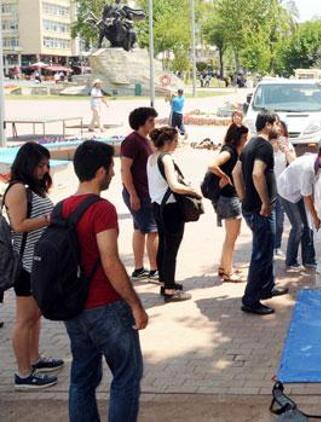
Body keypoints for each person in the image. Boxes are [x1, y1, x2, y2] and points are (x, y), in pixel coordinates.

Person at [62, 140, 148, 421]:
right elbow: (110, 261)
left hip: (74, 308)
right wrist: (135, 304)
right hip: (106, 306)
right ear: (101, 171)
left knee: (82, 378)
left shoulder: (61, 208)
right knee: (126, 375)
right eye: (111, 168)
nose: (113, 173)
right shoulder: (102, 209)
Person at [5, 143, 62, 390]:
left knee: (35, 316)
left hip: (38, 263)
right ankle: (23, 373)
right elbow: (18, 225)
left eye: (46, 165)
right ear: (28, 164)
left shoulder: (32, 188)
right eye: (40, 165)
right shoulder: (18, 189)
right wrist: (48, 219)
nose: (44, 169)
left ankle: (34, 359)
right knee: (24, 319)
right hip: (26, 264)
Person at [232, 111, 288, 315]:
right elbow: (257, 174)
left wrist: (243, 197)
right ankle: (251, 299)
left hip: (253, 207)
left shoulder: (250, 145)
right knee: (261, 254)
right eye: (276, 123)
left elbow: (236, 173)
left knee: (266, 249)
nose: (279, 127)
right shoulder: (263, 146)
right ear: (266, 125)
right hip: (261, 209)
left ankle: (267, 287)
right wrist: (264, 201)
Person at [147, 127, 199, 302]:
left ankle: (166, 281)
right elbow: (174, 186)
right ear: (168, 142)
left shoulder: (152, 158)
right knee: (171, 249)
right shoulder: (166, 158)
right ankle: (169, 289)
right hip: (170, 209)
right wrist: (192, 191)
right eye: (176, 141)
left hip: (157, 206)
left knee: (164, 245)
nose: (177, 144)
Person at [277, 142, 321, 270]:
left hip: (298, 191)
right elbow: (307, 197)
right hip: (286, 192)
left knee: (307, 225)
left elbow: (310, 194)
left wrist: (314, 216)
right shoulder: (308, 169)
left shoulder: (318, 165)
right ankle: (291, 260)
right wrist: (315, 217)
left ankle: (309, 259)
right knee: (299, 226)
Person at [121, 107, 159, 281]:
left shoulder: (145, 140)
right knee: (153, 231)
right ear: (141, 122)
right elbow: (125, 169)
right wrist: (133, 194)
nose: (154, 123)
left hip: (145, 192)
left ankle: (138, 268)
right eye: (151, 120)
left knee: (140, 229)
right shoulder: (132, 141)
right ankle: (154, 269)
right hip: (140, 193)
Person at [208, 124, 250, 283]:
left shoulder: (233, 150)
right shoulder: (228, 151)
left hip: (229, 198)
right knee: (231, 237)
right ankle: (227, 272)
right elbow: (212, 165)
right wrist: (224, 176)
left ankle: (224, 266)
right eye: (244, 138)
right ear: (238, 138)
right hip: (228, 199)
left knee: (231, 236)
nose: (246, 141)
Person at [271, 121, 296, 256]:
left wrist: (285, 150)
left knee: (280, 222)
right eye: (277, 132)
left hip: (282, 188)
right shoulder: (267, 146)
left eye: (281, 132)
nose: (279, 136)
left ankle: (277, 246)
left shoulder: (287, 145)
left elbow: (294, 163)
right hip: (269, 188)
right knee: (270, 220)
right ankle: (270, 247)